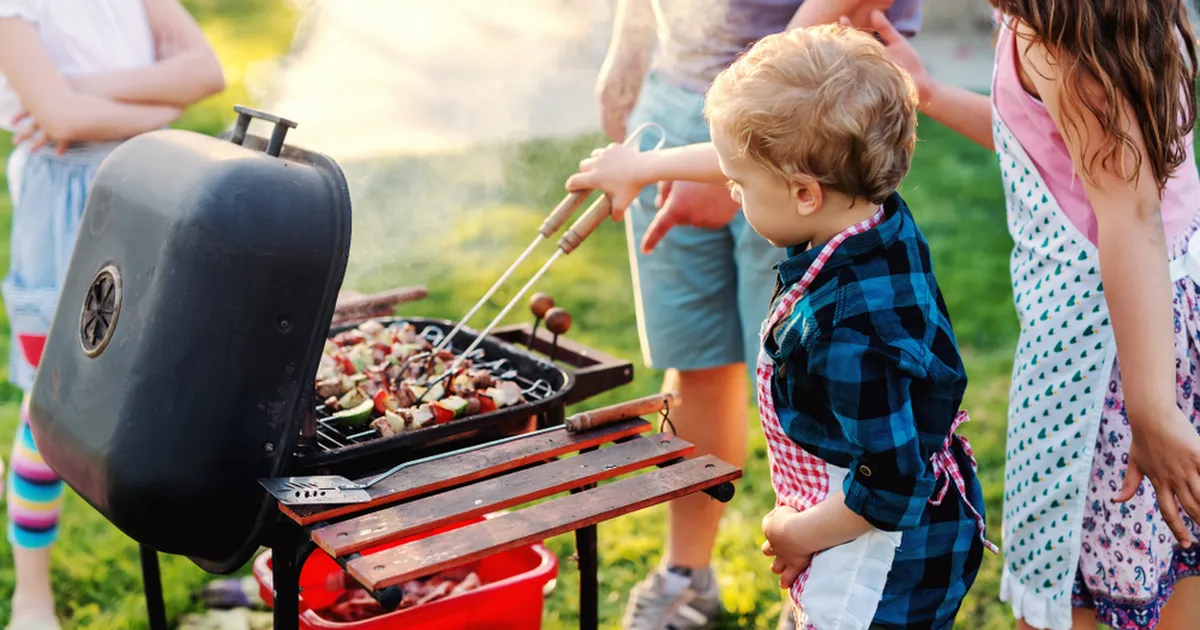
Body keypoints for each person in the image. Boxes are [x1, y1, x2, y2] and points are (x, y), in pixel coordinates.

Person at [569, 22, 995, 629]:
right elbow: (753, 158)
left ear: (802, 194)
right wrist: (643, 166)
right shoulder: (871, 216)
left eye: (739, 187)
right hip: (864, 527)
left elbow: (893, 485)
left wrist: (795, 532)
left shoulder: (849, 329)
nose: (733, 194)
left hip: (876, 561)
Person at [864, 1, 1200, 628]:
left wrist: (1150, 407)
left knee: (1076, 594)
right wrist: (931, 95)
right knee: (1172, 559)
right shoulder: (1094, 15)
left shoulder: (1058, 36)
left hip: (1105, 354)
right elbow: (1058, 141)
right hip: (1169, 316)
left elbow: (1129, 213)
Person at [0, 1, 224, 627]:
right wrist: (155, 107)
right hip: (63, 205)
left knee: (148, 383)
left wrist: (80, 93)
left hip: (153, 187)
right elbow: (59, 118)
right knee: (51, 408)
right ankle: (31, 595)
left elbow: (205, 75)